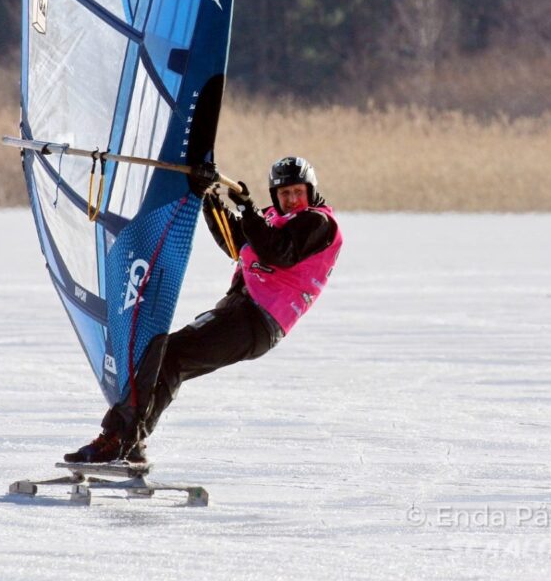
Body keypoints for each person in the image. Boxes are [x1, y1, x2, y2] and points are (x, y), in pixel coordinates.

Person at [64, 156, 343, 464]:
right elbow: (233, 241)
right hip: (239, 311)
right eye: (284, 194)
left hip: (257, 320)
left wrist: (247, 209)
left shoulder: (318, 222)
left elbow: (279, 252)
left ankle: (119, 439)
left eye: (297, 192)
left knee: (170, 355)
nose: (291, 200)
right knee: (167, 356)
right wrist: (208, 196)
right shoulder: (270, 218)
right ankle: (129, 440)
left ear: (311, 190)